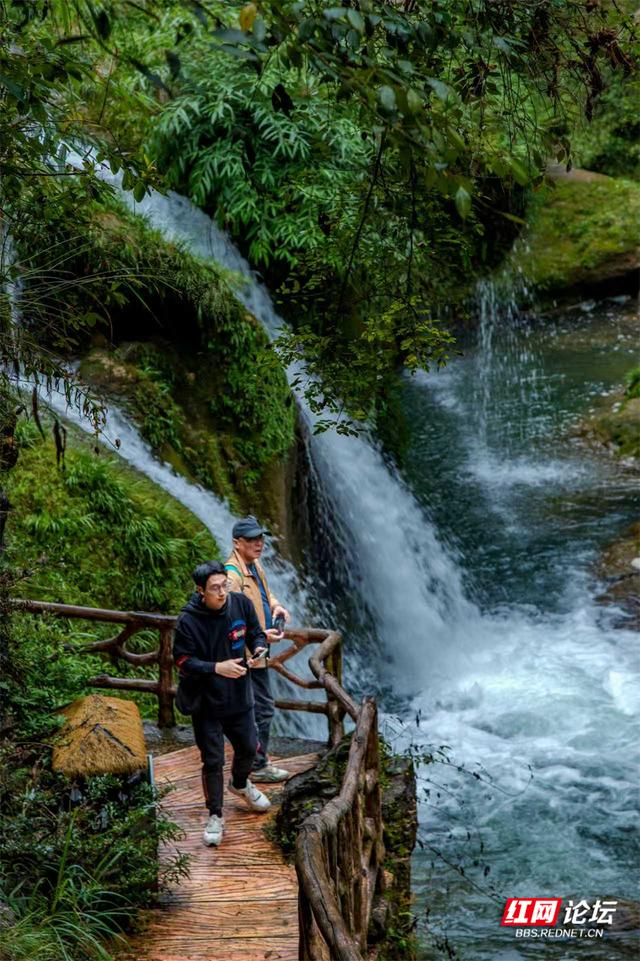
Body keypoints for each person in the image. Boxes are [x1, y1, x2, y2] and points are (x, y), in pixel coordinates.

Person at [173, 560, 282, 848]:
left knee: (248, 747)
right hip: (206, 702)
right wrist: (216, 667)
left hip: (239, 696)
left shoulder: (240, 604)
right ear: (200, 591)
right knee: (212, 759)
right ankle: (215, 815)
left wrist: (259, 647)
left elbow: (257, 632)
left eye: (224, 585)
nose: (222, 593)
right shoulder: (188, 621)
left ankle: (240, 782)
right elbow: (183, 661)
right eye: (215, 588)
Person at [225, 516, 291, 783]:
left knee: (258, 708)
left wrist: (276, 606)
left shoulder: (253, 565)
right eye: (252, 540)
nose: (259, 543)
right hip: (246, 657)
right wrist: (259, 635)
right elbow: (229, 619)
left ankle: (255, 760)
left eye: (260, 538)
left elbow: (264, 593)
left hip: (258, 653)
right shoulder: (232, 575)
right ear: (236, 543)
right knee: (260, 709)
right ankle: (256, 764)